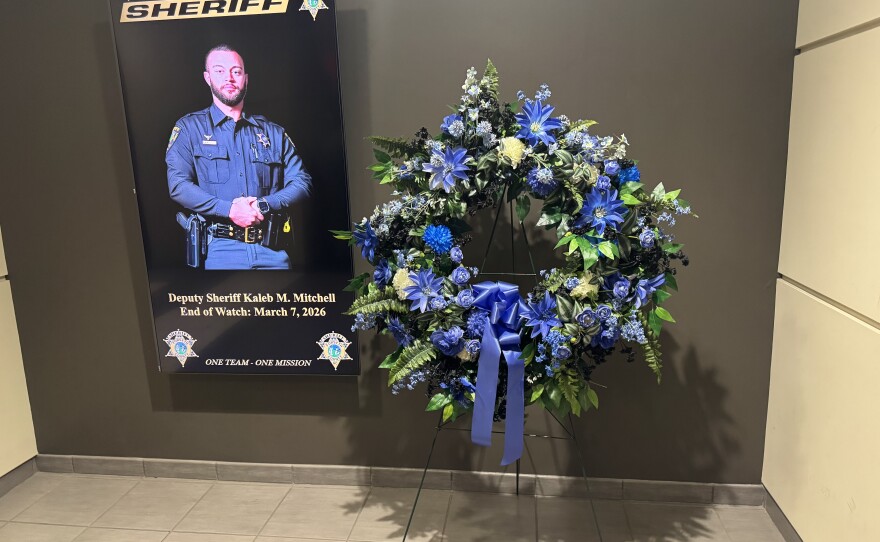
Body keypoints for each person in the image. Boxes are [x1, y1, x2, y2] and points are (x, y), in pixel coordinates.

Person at [166, 44, 310, 270]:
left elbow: (302, 182)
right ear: (207, 77)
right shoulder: (189, 128)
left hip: (273, 252)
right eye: (219, 70)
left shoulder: (273, 132)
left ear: (246, 78)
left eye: (236, 71)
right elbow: (178, 185)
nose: (229, 78)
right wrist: (229, 209)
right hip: (219, 252)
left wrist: (264, 204)